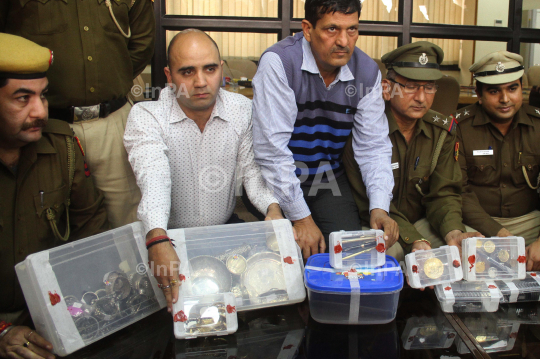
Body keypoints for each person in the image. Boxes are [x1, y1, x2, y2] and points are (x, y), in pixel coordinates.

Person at [124, 29, 285, 313]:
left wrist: (272, 208)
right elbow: (155, 178)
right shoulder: (147, 116)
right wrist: (158, 237)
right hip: (168, 239)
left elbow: (252, 174)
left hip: (222, 234)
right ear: (169, 75)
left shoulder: (242, 110)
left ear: (221, 69)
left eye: (209, 69)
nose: (200, 82)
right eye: (187, 71)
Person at [251, 0, 396, 259]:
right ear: (307, 29)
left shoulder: (367, 72)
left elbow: (373, 147)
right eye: (332, 29)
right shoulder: (280, 62)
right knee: (284, 257)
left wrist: (379, 207)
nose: (344, 41)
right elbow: (272, 152)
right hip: (275, 178)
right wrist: (302, 218)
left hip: (326, 178)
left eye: (352, 30)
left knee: (352, 254)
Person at [1, 0, 156, 229]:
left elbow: (142, 44)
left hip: (111, 123)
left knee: (126, 224)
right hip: (42, 125)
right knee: (41, 224)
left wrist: (111, 78)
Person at [0, 33, 108, 359]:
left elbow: (91, 223)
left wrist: (67, 308)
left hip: (53, 310)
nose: (40, 112)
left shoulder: (62, 146)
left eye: (43, 96)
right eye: (22, 98)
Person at [343, 41, 482, 263]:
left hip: (423, 221)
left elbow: (444, 193)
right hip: (377, 220)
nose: (421, 97)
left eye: (429, 87)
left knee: (467, 249)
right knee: (389, 254)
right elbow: (367, 200)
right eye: (410, 86)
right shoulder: (363, 130)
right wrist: (414, 240)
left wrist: (453, 231)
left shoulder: (442, 131)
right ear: (387, 89)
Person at [456, 50, 540, 269]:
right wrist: (499, 234)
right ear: (479, 94)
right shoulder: (459, 128)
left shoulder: (538, 125)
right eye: (494, 91)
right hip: (475, 224)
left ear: (523, 88)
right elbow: (458, 192)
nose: (505, 99)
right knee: (447, 246)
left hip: (529, 221)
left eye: (513, 88)